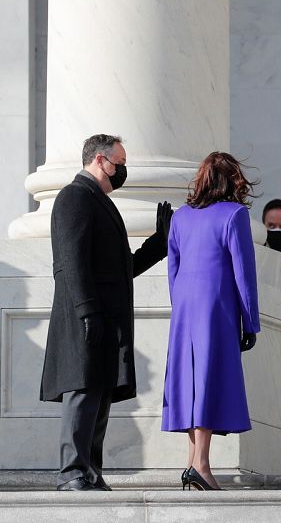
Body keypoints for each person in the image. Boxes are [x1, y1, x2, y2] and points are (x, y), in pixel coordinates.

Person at [40, 134, 172, 491]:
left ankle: (90, 471)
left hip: (103, 317)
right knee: (82, 393)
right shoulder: (75, 196)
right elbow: (71, 262)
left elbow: (120, 268)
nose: (122, 171)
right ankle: (72, 473)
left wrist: (157, 244)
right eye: (119, 163)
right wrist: (86, 311)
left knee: (98, 396)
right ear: (99, 160)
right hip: (86, 316)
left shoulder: (98, 200)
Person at [161, 152, 260, 491]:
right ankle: (201, 465)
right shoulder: (235, 215)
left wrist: (181, 305)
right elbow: (244, 273)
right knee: (207, 378)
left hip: (185, 307)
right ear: (233, 180)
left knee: (189, 380)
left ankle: (192, 463)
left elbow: (172, 268)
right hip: (216, 305)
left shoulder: (181, 217)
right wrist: (251, 321)